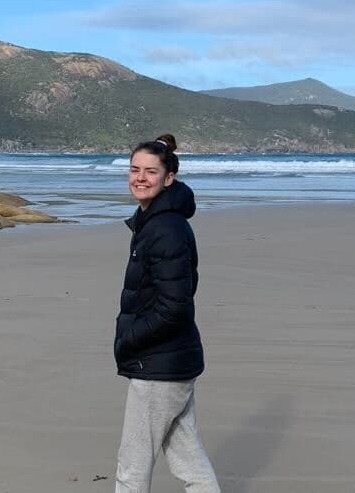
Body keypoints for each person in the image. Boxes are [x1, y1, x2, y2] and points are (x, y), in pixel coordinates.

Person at [114, 134, 220, 493]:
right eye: (134, 169)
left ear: (168, 178)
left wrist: (130, 339)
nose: (140, 178)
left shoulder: (166, 229)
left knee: (132, 469)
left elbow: (175, 305)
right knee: (189, 463)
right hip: (173, 363)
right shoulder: (154, 222)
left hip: (158, 366)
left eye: (150, 172)